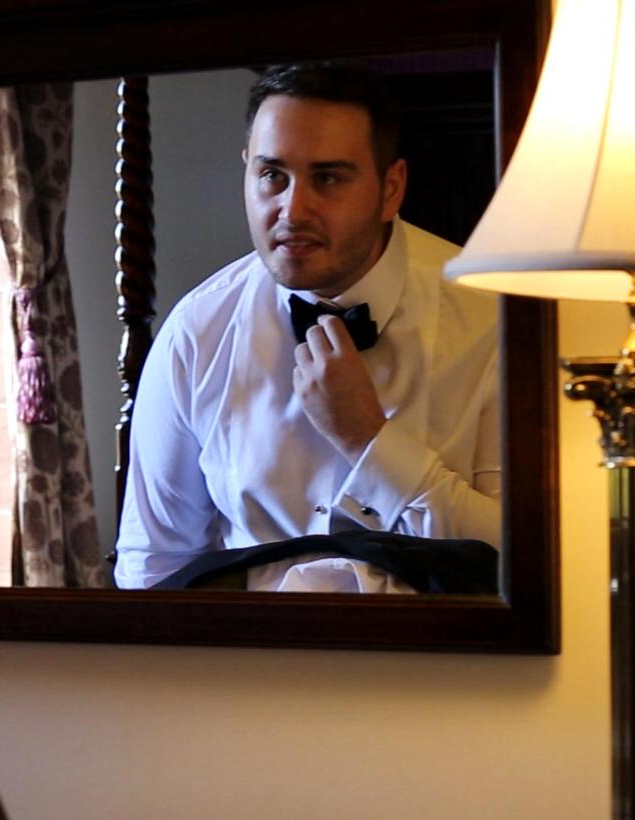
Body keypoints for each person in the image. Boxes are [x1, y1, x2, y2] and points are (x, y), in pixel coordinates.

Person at [113, 62, 502, 593]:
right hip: (250, 647)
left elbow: (531, 559)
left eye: (328, 178)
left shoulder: (495, 323)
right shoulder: (197, 333)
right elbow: (152, 569)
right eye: (272, 176)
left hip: (443, 647)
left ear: (391, 189)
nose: (293, 210)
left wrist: (367, 440)